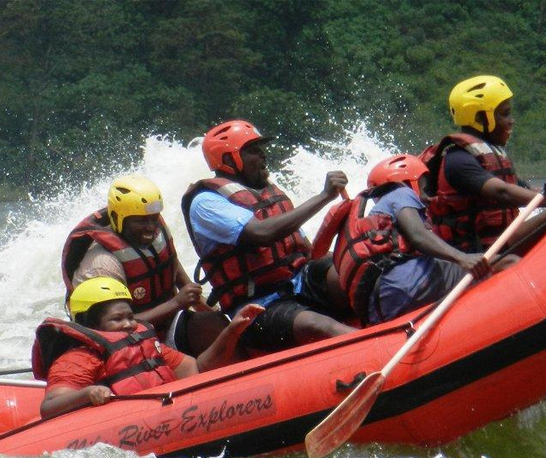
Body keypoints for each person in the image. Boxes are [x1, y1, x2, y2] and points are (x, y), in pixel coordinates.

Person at [181, 119, 357, 353]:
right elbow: (263, 233)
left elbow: (305, 248)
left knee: (351, 273)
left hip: (298, 282)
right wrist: (325, 195)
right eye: (253, 150)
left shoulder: (268, 193)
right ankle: (385, 351)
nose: (263, 156)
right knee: (317, 324)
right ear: (228, 160)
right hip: (258, 305)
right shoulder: (205, 203)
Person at [312, 154, 512, 325]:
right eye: (423, 188)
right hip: (409, 283)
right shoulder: (401, 193)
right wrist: (461, 258)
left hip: (380, 307)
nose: (426, 197)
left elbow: (316, 254)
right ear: (408, 182)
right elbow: (417, 236)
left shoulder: (365, 217)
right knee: (505, 262)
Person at [32, 277, 263, 419]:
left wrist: (233, 330)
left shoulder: (145, 343)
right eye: (118, 319)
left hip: (169, 415)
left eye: (131, 316)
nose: (130, 324)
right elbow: (50, 407)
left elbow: (198, 369)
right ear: (89, 324)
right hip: (124, 428)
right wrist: (87, 393)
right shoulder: (78, 357)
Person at [62, 175, 228, 356]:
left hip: (165, 326)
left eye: (153, 218)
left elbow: (170, 263)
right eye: (141, 221)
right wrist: (176, 303)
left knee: (213, 323)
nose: (151, 227)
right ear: (119, 219)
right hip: (124, 345)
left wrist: (210, 309)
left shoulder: (152, 234)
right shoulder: (101, 265)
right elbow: (111, 327)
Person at [423, 75, 546, 253]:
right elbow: (502, 191)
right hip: (476, 253)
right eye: (505, 114)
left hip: (502, 242)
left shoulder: (491, 153)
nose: (512, 120)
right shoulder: (458, 159)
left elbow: (523, 190)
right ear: (480, 118)